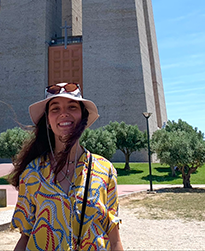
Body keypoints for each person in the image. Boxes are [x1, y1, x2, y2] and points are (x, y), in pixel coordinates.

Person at [9, 83, 124, 251]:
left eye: (72, 107)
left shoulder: (105, 170)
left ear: (83, 118)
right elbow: (26, 235)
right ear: (48, 121)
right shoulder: (32, 173)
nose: (64, 113)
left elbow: (114, 239)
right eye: (55, 109)